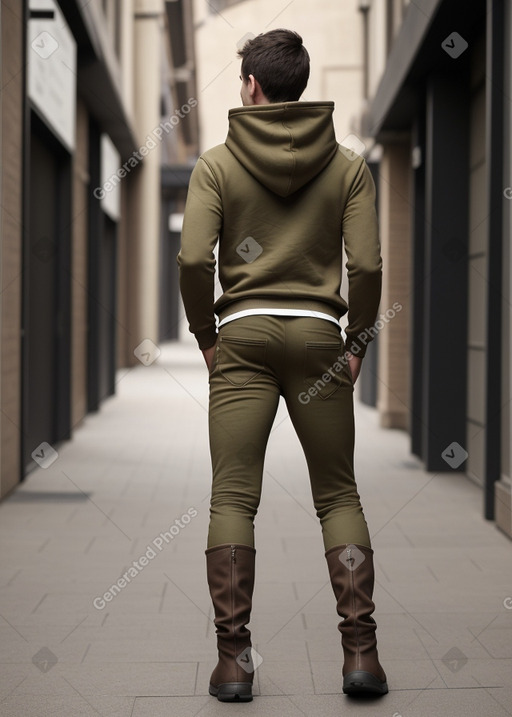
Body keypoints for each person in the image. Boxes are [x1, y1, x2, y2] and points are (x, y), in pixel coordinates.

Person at [177, 28, 388, 702]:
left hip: (240, 337)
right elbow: (369, 266)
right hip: (321, 342)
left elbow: (190, 261)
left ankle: (234, 661)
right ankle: (361, 655)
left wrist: (205, 335)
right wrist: (357, 344)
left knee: (234, 494)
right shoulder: (350, 166)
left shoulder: (217, 164)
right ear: (295, 84)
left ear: (252, 86)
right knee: (339, 495)